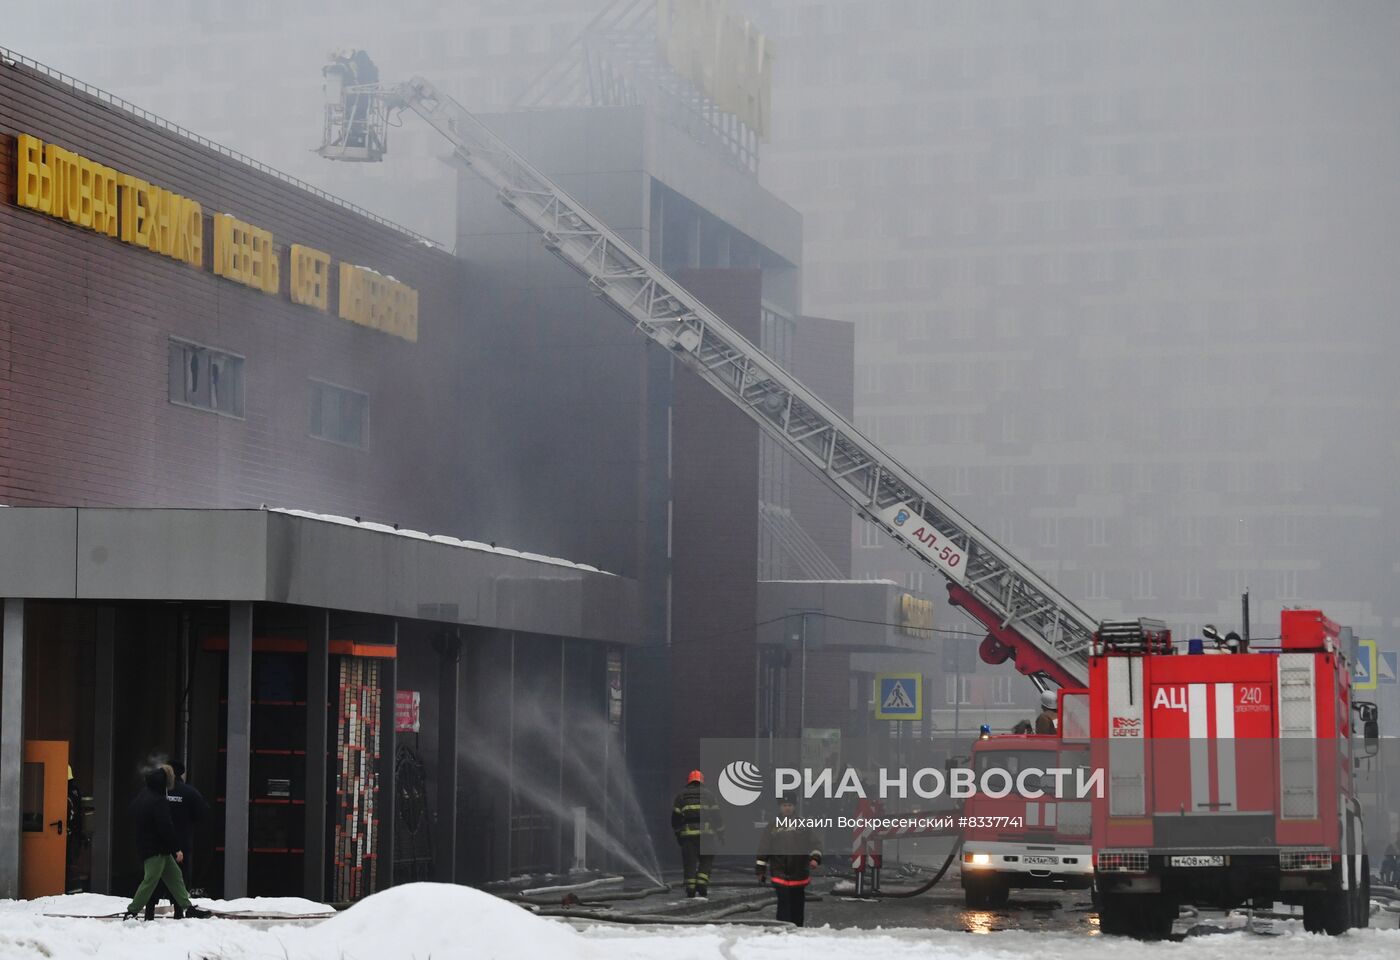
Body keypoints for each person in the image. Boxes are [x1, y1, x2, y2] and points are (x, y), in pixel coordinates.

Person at [125, 765, 211, 921]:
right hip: (156, 849)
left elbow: (132, 812)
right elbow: (166, 827)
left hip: (154, 847)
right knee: (150, 879)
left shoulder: (143, 796)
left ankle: (187, 907)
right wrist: (176, 848)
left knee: (175, 877)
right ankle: (132, 911)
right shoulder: (159, 801)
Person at [756, 795, 822, 926]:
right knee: (783, 905)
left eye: (790, 805)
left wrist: (815, 859)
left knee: (797, 906)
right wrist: (760, 870)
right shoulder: (772, 826)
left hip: (799, 873)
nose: (787, 808)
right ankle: (783, 930)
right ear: (780, 807)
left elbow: (815, 844)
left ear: (794, 807)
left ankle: (797, 931)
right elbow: (764, 848)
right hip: (779, 873)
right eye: (784, 806)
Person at [671, 770, 724, 898]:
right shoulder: (710, 795)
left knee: (690, 861)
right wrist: (721, 834)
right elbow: (717, 817)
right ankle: (702, 884)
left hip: (688, 836)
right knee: (706, 859)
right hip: (707, 835)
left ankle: (690, 889)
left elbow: (675, 819)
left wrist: (678, 834)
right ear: (702, 781)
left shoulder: (681, 796)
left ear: (689, 781)